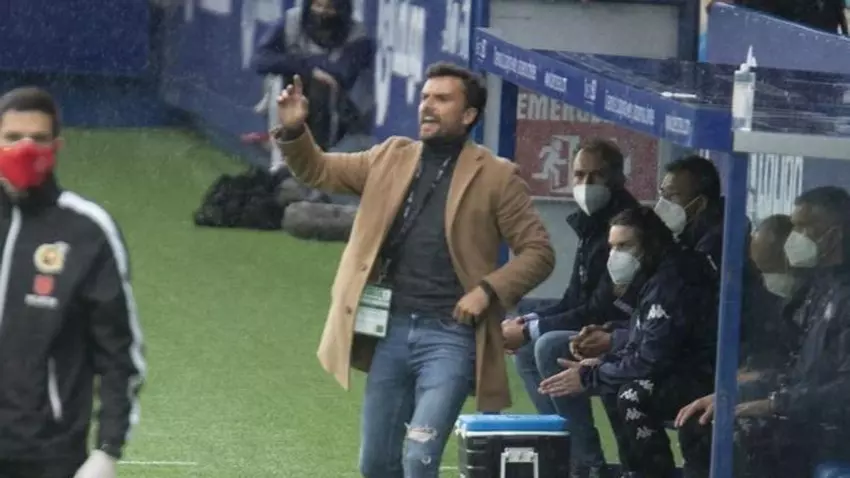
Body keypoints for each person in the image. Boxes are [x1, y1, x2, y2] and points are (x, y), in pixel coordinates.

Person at [272, 63, 555, 477]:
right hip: (390, 330)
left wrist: (488, 291)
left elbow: (539, 252)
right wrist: (296, 129)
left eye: (442, 99)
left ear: (469, 115)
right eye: (425, 97)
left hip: (451, 337)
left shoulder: (497, 176)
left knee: (419, 459)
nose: (427, 106)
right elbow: (319, 169)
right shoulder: (390, 156)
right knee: (376, 464)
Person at [0, 87, 146, 477]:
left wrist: (108, 449)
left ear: (57, 146)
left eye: (38, 138)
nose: (25, 149)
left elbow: (118, 351)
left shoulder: (87, 231)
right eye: (13, 137)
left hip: (48, 456)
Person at [675, 186, 850, 478]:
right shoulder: (819, 287)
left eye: (803, 227)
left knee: (745, 434)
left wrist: (773, 405)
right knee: (700, 421)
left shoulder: (844, 296)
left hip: (833, 427)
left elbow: (843, 392)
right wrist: (732, 393)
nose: (794, 237)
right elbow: (797, 372)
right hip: (802, 412)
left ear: (833, 236)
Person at [540, 206, 717, 478]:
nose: (615, 255)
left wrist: (591, 376)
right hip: (682, 367)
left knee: (629, 392)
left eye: (624, 246)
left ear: (650, 244)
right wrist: (604, 357)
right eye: (612, 246)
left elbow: (651, 360)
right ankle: (633, 471)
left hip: (706, 376)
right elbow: (647, 337)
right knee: (613, 376)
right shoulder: (656, 274)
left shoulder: (671, 279)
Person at [502, 138, 638, 478]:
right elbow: (573, 300)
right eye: (579, 175)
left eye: (596, 176)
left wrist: (530, 331)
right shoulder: (592, 223)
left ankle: (587, 466)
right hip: (600, 329)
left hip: (625, 334)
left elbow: (597, 309)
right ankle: (568, 452)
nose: (586, 184)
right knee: (528, 349)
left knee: (547, 346)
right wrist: (528, 321)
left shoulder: (625, 224)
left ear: (617, 178)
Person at [252, 0, 375, 170]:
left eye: (330, 8)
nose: (322, 13)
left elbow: (343, 72)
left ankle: (317, 164)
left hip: (339, 115)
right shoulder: (292, 21)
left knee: (322, 85)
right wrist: (308, 69)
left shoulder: (356, 34)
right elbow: (261, 60)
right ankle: (280, 164)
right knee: (284, 82)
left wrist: (299, 64)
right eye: (318, 5)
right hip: (291, 101)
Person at [654, 155, 724, 271]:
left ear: (700, 203)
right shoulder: (685, 232)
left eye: (673, 195)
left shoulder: (714, 244)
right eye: (662, 194)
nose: (661, 204)